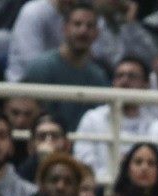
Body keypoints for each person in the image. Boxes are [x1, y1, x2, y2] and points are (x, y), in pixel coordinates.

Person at [73, 57, 158, 183]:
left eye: (132, 76)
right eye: (119, 76)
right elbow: (82, 159)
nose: (124, 81)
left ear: (146, 85)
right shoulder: (93, 118)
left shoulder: (154, 124)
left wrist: (138, 163)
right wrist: (114, 174)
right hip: (101, 186)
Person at [20, 2, 109, 131]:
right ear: (65, 28)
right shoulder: (40, 68)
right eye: (77, 24)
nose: (83, 30)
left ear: (97, 33)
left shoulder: (99, 77)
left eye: (89, 26)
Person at [5, 0, 69, 83]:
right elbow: (32, 63)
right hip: (23, 83)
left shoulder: (76, 13)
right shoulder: (33, 12)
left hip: (61, 81)